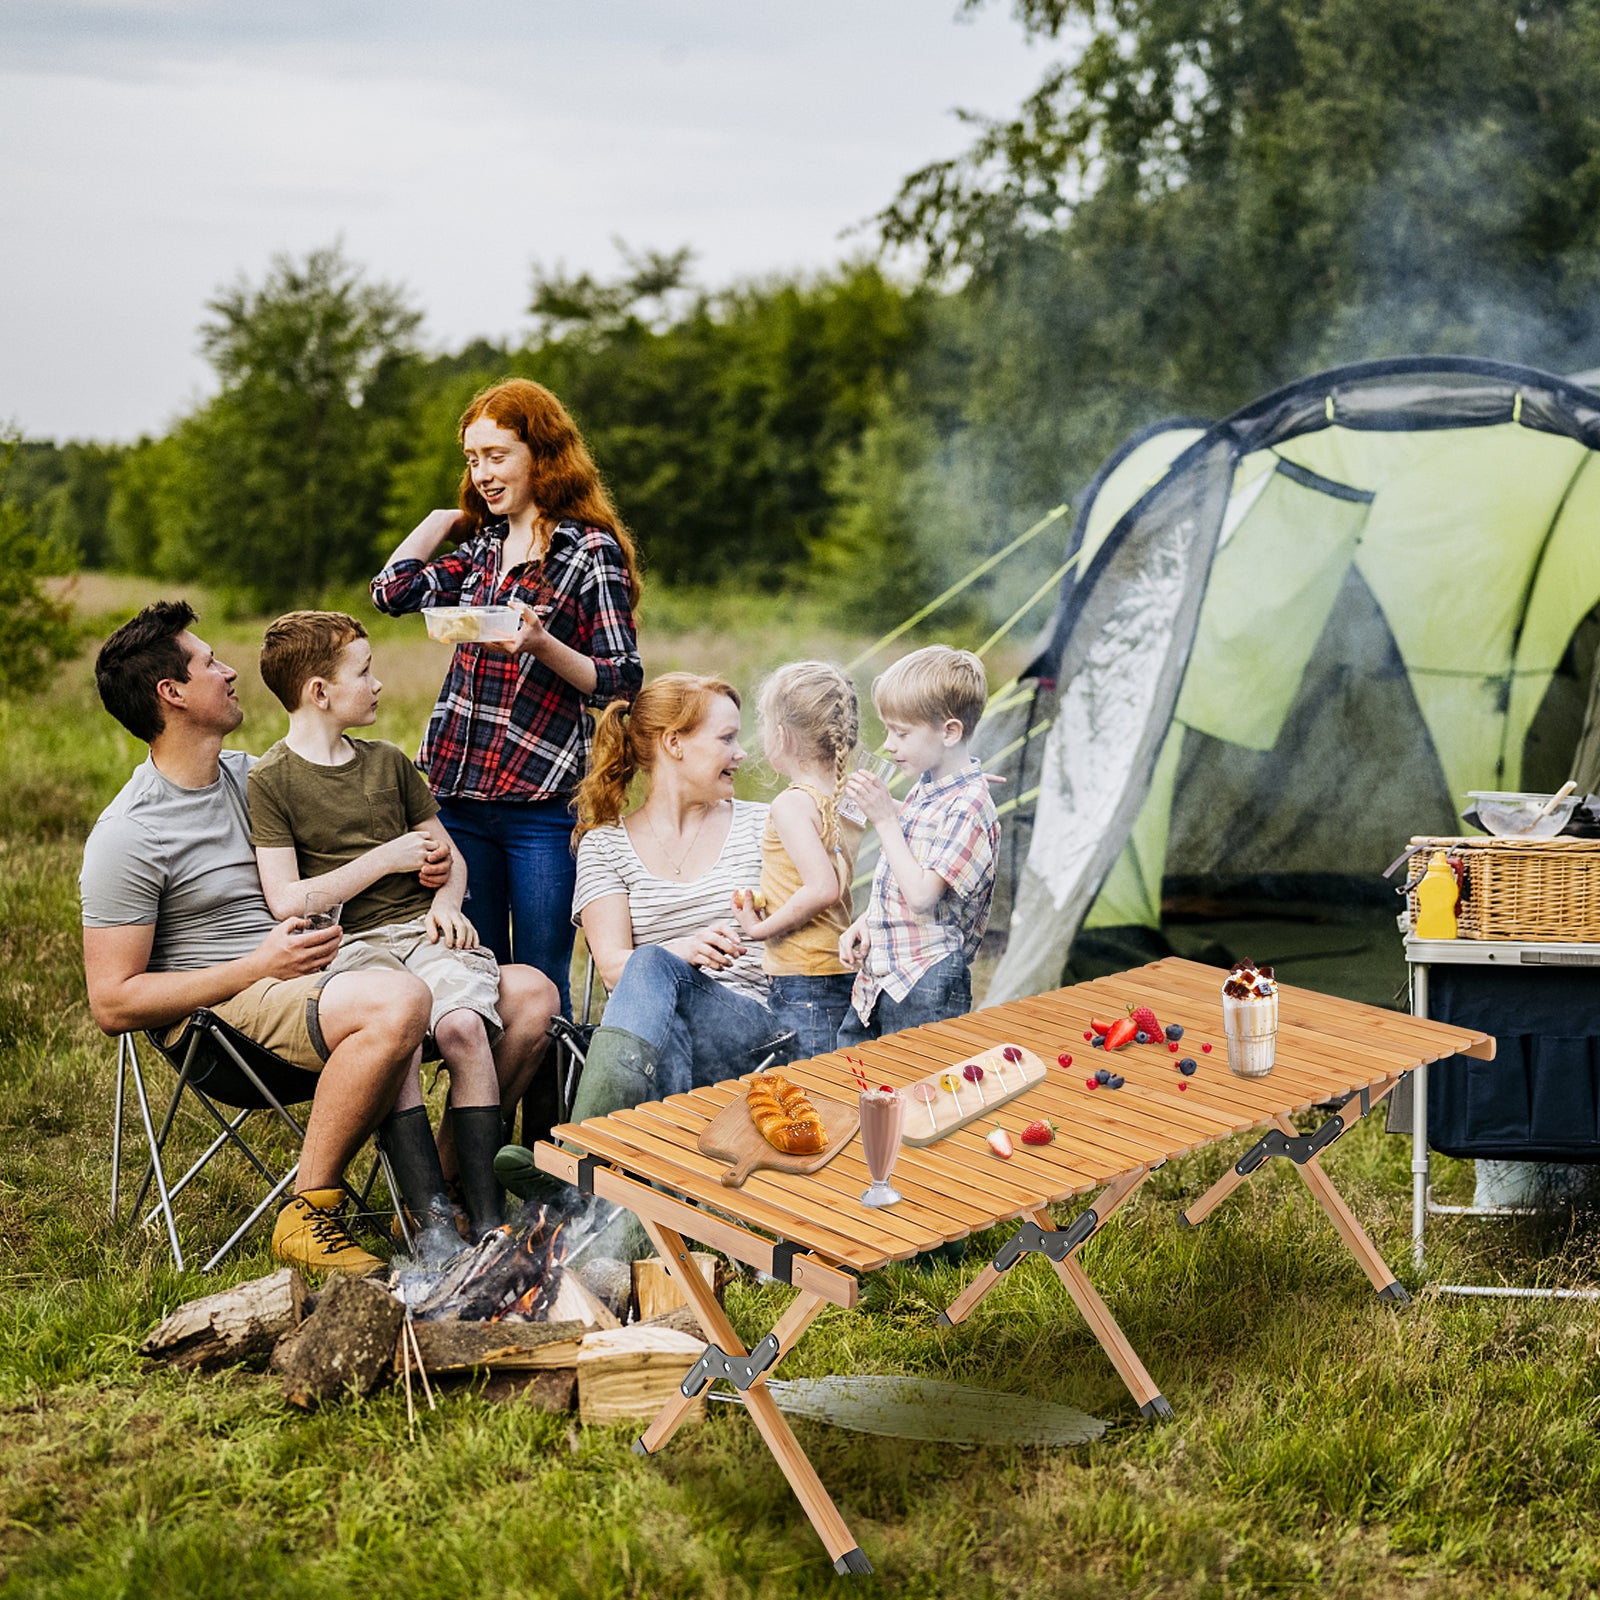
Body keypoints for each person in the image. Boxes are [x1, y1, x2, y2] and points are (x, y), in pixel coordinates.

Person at [80, 602, 429, 1277]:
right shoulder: (129, 834)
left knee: (518, 997)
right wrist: (257, 964)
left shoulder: (258, 777)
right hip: (224, 1025)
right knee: (399, 1003)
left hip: (324, 971)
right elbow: (113, 1003)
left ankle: (435, 1200)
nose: (231, 669)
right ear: (172, 694)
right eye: (210, 662)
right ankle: (308, 1210)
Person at [249, 610, 559, 1245]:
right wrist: (387, 858)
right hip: (353, 949)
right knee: (403, 1037)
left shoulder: (388, 763)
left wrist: (448, 899)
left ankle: (486, 1216)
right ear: (320, 692)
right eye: (364, 672)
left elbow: (449, 857)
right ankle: (431, 1228)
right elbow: (286, 898)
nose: (378, 684)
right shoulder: (272, 780)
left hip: (422, 932)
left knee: (466, 1026)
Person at [370, 378, 643, 1017]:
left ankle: (547, 1121)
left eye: (497, 456)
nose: (483, 473)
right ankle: (484, 1115)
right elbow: (392, 592)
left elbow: (621, 679)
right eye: (472, 459)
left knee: (543, 982)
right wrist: (442, 520)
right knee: (476, 974)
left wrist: (542, 645)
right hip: (456, 798)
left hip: (541, 808)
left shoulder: (587, 552)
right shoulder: (483, 549)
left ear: (541, 456)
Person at [494, 673, 785, 1208]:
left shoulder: (764, 827)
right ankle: (638, 1215)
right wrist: (685, 949)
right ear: (674, 743)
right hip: (656, 1041)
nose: (741, 754)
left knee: (652, 962)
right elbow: (611, 967)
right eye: (726, 739)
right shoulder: (604, 846)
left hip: (752, 1031)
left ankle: (574, 1162)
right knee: (655, 983)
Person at [837, 645, 1000, 1046]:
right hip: (887, 970)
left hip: (927, 979)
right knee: (852, 1079)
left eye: (902, 732)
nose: (889, 745)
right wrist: (869, 921)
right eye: (889, 730)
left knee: (916, 1096)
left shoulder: (969, 806)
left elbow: (923, 895)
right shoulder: (930, 790)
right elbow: (909, 852)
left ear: (949, 732)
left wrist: (885, 818)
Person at [729, 661, 864, 1059]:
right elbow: (905, 812)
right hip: (839, 968)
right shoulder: (849, 797)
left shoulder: (792, 803)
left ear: (783, 736)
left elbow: (823, 888)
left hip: (804, 978)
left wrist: (760, 929)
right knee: (841, 1077)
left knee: (813, 1085)